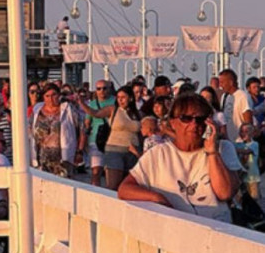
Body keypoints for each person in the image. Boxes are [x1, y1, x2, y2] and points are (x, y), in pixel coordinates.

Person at [119, 93, 241, 223]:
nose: (194, 124)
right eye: (186, 118)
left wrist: (212, 152)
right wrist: (157, 198)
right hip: (173, 231)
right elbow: (125, 189)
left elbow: (225, 193)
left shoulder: (224, 148)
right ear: (173, 122)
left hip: (216, 231)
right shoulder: (158, 154)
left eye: (200, 119)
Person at [85, 86, 142, 190]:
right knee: (113, 186)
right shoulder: (113, 110)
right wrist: (81, 103)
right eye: (118, 97)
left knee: (128, 186)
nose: (120, 100)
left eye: (123, 97)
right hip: (115, 150)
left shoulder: (138, 114)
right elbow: (96, 113)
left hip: (133, 151)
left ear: (130, 98)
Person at [33, 83, 80, 178]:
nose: (50, 99)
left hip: (63, 157)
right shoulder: (37, 110)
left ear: (58, 95)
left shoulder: (68, 109)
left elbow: (81, 129)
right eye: (47, 96)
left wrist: (79, 151)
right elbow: (30, 130)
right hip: (42, 157)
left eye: (54, 95)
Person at [82, 80, 116, 188]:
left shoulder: (115, 102)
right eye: (99, 88)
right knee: (96, 171)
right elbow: (87, 123)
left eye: (104, 88)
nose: (102, 91)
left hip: (112, 139)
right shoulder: (92, 104)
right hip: (95, 140)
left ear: (109, 88)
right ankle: (95, 192)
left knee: (111, 172)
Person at [236, 123, 261, 201]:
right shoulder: (239, 144)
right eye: (242, 131)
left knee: (254, 199)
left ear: (252, 133)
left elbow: (247, 151)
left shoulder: (254, 144)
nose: (244, 133)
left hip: (253, 177)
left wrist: (233, 149)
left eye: (246, 131)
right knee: (242, 200)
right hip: (243, 178)